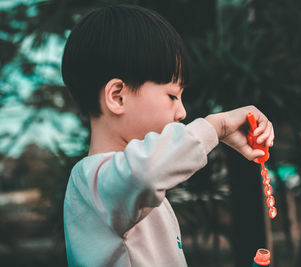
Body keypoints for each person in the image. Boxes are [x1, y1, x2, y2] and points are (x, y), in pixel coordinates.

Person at [61, 4, 274, 267]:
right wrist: (216, 127)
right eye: (172, 95)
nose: (182, 112)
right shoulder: (93, 184)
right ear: (118, 96)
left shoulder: (133, 194)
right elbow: (145, 172)